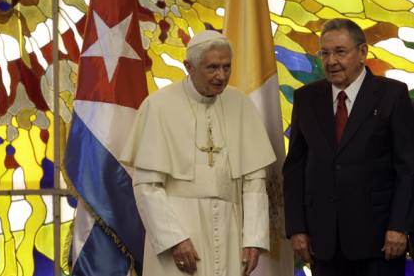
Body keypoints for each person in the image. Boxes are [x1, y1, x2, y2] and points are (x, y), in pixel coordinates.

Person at [126, 30, 276, 276]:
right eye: (213, 68)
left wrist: (253, 239)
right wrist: (174, 239)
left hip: (229, 229)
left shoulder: (241, 105)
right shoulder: (159, 106)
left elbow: (254, 182)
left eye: (227, 67)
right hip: (180, 227)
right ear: (189, 67)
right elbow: (146, 185)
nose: (221, 76)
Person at [283, 18, 414, 276]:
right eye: (325, 53)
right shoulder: (306, 98)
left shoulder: (392, 95)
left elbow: (408, 167)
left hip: (380, 243)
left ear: (362, 52)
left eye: (340, 52)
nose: (331, 61)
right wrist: (297, 228)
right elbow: (295, 168)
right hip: (323, 244)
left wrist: (400, 226)